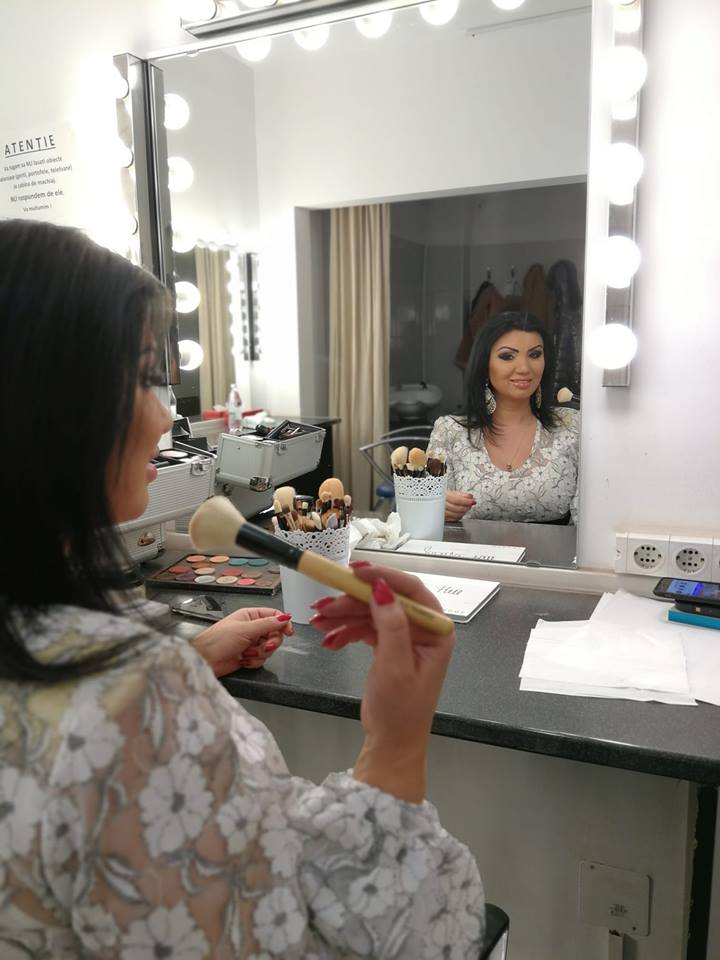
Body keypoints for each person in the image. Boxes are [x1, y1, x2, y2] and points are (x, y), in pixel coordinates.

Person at [0, 220, 484, 957]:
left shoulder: (97, 677)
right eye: (144, 375)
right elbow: (379, 938)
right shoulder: (133, 701)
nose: (167, 413)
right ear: (48, 406)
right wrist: (395, 743)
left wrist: (187, 661)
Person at [431, 311, 579, 524]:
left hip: (558, 547)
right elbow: (423, 513)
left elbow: (592, 518)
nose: (524, 368)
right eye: (507, 356)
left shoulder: (572, 425)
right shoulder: (449, 430)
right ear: (484, 364)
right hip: (466, 546)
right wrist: (436, 508)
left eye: (535, 355)